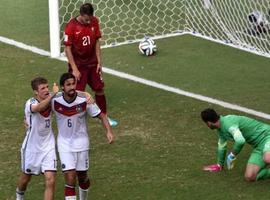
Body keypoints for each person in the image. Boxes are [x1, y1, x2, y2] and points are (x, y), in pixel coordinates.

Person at [52, 73, 114, 200]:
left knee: (82, 176)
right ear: (62, 87)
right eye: (68, 85)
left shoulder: (85, 100)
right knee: (70, 177)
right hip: (64, 144)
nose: (71, 87)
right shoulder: (54, 100)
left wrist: (109, 132)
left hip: (82, 144)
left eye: (73, 84)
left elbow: (101, 116)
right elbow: (40, 106)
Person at [64, 2, 118, 126]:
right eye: (86, 19)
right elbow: (67, 49)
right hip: (79, 66)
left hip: (92, 63)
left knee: (99, 89)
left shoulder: (94, 21)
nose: (88, 22)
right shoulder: (71, 26)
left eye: (90, 19)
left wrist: (99, 61)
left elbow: (97, 42)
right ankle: (74, 118)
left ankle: (104, 116)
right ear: (81, 15)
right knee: (75, 93)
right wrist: (74, 68)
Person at [16, 77, 59, 200]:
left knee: (50, 180)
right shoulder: (30, 102)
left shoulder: (51, 97)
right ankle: (19, 196)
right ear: (36, 92)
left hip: (48, 146)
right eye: (43, 88)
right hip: (31, 148)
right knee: (25, 179)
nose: (46, 90)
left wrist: (87, 95)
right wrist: (53, 95)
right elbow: (39, 108)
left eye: (47, 87)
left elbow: (70, 93)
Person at [201, 108, 270, 182]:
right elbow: (222, 147)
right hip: (259, 146)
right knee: (249, 176)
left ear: (208, 123)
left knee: (267, 158)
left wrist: (232, 155)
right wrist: (219, 165)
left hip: (267, 136)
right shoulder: (220, 130)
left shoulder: (228, 124)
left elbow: (240, 141)